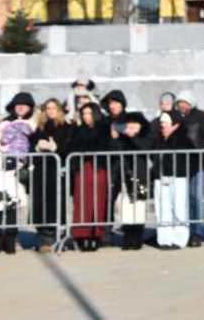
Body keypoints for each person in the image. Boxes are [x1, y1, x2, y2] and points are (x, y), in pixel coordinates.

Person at [103, 90, 151, 251]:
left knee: (137, 201)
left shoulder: (134, 118)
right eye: (110, 103)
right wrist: (112, 138)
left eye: (116, 103)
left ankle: (135, 237)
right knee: (111, 201)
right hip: (114, 167)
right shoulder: (106, 122)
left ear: (122, 104)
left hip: (135, 168)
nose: (113, 106)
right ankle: (108, 234)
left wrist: (130, 133)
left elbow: (144, 143)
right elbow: (104, 148)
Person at [65, 102, 109, 252]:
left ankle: (96, 235)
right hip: (82, 169)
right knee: (82, 203)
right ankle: (81, 234)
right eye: (84, 114)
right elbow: (70, 147)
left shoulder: (104, 129)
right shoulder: (78, 130)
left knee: (98, 202)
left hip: (99, 169)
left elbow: (106, 146)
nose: (86, 117)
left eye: (89, 113)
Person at [174, 90, 204, 247]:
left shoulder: (202, 118)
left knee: (196, 199)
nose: (182, 105)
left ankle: (197, 232)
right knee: (182, 200)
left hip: (197, 165)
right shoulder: (175, 117)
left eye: (185, 102)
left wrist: (197, 150)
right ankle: (183, 230)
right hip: (180, 165)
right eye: (180, 102)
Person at [29, 98, 70, 252]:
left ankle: (57, 238)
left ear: (59, 109)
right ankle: (42, 238)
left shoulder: (65, 127)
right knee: (41, 204)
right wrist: (38, 148)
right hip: (41, 171)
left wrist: (55, 148)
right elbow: (31, 145)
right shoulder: (40, 127)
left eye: (53, 108)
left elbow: (68, 147)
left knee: (56, 204)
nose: (51, 111)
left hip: (57, 172)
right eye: (48, 108)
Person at [153, 110, 194, 250]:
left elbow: (192, 159)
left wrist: (183, 171)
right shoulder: (158, 139)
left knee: (179, 209)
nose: (162, 125)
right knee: (162, 209)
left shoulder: (183, 140)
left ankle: (179, 239)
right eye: (161, 122)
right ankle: (164, 239)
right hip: (161, 177)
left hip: (178, 178)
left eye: (165, 122)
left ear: (175, 125)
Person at [0, 108, 23, 255]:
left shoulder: (7, 135)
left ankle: (10, 242)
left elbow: (19, 155)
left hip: (9, 179)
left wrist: (10, 163)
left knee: (11, 211)